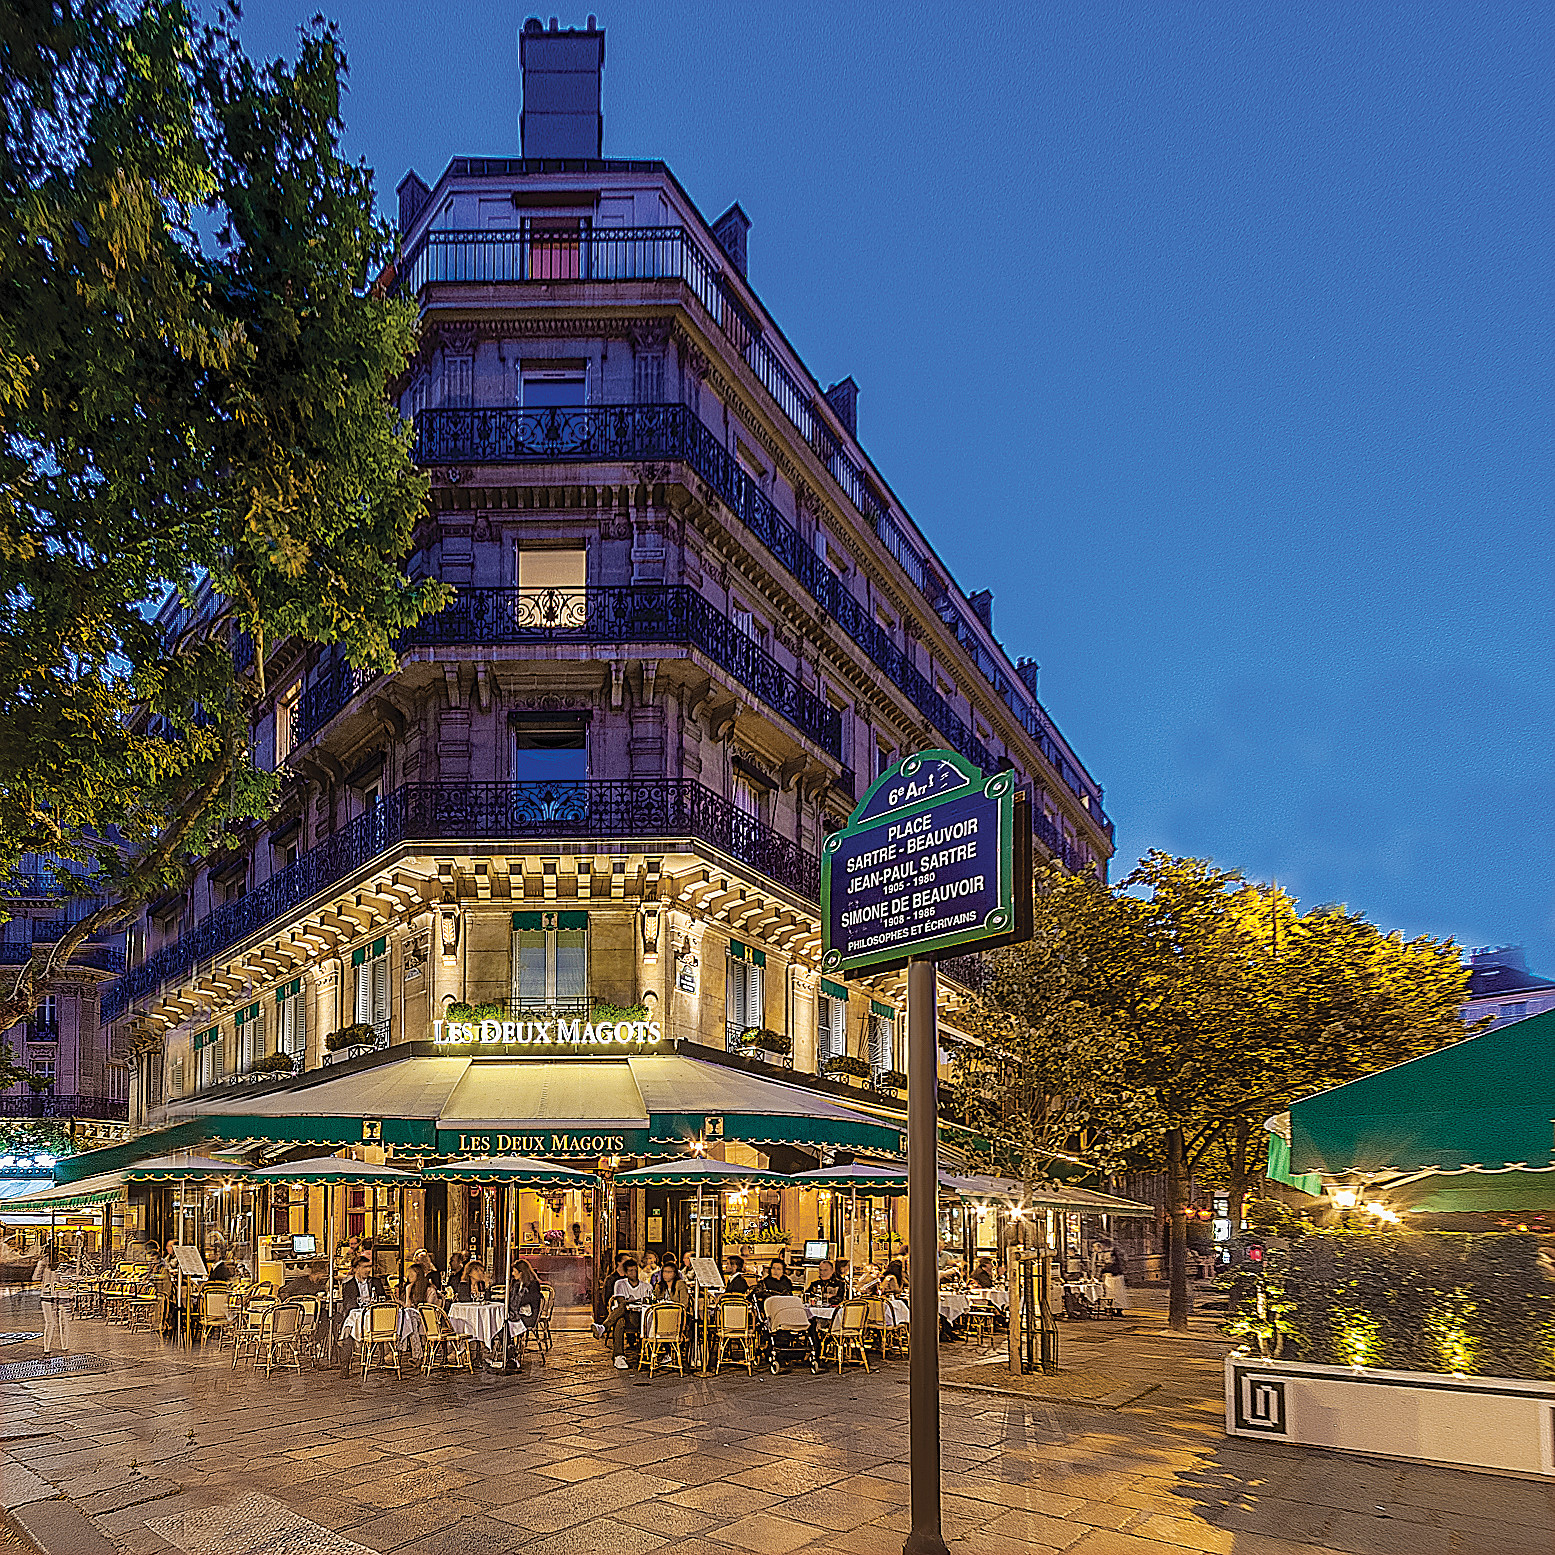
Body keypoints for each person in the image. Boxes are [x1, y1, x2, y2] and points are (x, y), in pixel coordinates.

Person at [336, 1255, 385, 1375]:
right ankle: (345, 1367)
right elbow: (348, 1304)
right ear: (356, 1269)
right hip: (357, 1316)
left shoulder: (376, 1282)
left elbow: (383, 1299)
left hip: (375, 1318)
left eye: (369, 1267)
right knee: (348, 1331)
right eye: (364, 1267)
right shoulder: (349, 1284)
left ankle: (384, 1360)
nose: (368, 1270)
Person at [606, 1257, 651, 1370]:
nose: (634, 1273)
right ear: (625, 1273)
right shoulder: (620, 1283)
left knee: (620, 1313)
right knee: (620, 1320)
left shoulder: (646, 1286)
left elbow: (648, 1302)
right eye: (630, 1271)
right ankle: (619, 1356)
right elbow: (621, 1301)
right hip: (626, 1315)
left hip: (641, 1317)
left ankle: (604, 1326)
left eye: (635, 1270)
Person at [505, 1258, 543, 1373]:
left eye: (514, 1271)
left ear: (521, 1273)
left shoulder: (533, 1285)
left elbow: (532, 1301)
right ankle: (510, 1352)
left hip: (528, 1316)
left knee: (505, 1326)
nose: (512, 1274)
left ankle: (510, 1353)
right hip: (517, 1314)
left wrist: (517, 1302)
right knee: (502, 1324)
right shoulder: (516, 1284)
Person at [37, 1247, 69, 1355]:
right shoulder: (45, 1268)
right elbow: (36, 1277)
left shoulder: (62, 1269)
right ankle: (50, 1347)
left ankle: (62, 1346)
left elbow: (66, 1283)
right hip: (52, 1296)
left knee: (58, 1322)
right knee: (54, 1322)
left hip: (58, 1296)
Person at [1101, 1241, 1129, 1312]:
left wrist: (1105, 1269)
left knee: (1117, 1294)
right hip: (1111, 1277)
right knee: (1111, 1293)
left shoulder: (1113, 1255)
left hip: (1115, 1277)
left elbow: (1113, 1265)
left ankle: (1117, 1308)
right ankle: (1111, 1308)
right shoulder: (1109, 1254)